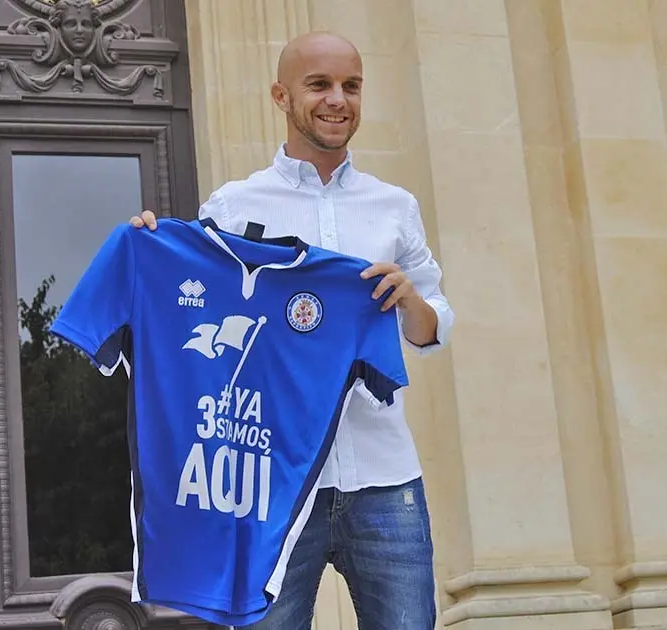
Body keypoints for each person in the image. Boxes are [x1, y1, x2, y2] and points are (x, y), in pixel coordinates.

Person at [130, 31, 453, 630]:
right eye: (320, 85)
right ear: (281, 95)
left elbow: (435, 322)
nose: (338, 100)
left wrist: (411, 302)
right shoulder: (234, 204)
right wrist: (151, 249)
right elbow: (190, 304)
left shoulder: (394, 207)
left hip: (384, 478)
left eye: (351, 87)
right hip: (270, 486)